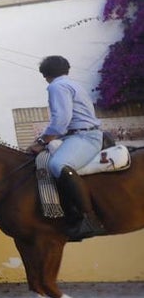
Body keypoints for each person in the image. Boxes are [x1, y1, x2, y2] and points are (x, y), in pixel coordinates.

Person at [26, 55, 105, 240]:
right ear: (67, 69)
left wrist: (41, 142)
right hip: (77, 135)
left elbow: (61, 121)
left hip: (84, 137)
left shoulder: (56, 86)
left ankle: (89, 219)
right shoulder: (72, 84)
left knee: (57, 165)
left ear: (45, 75)